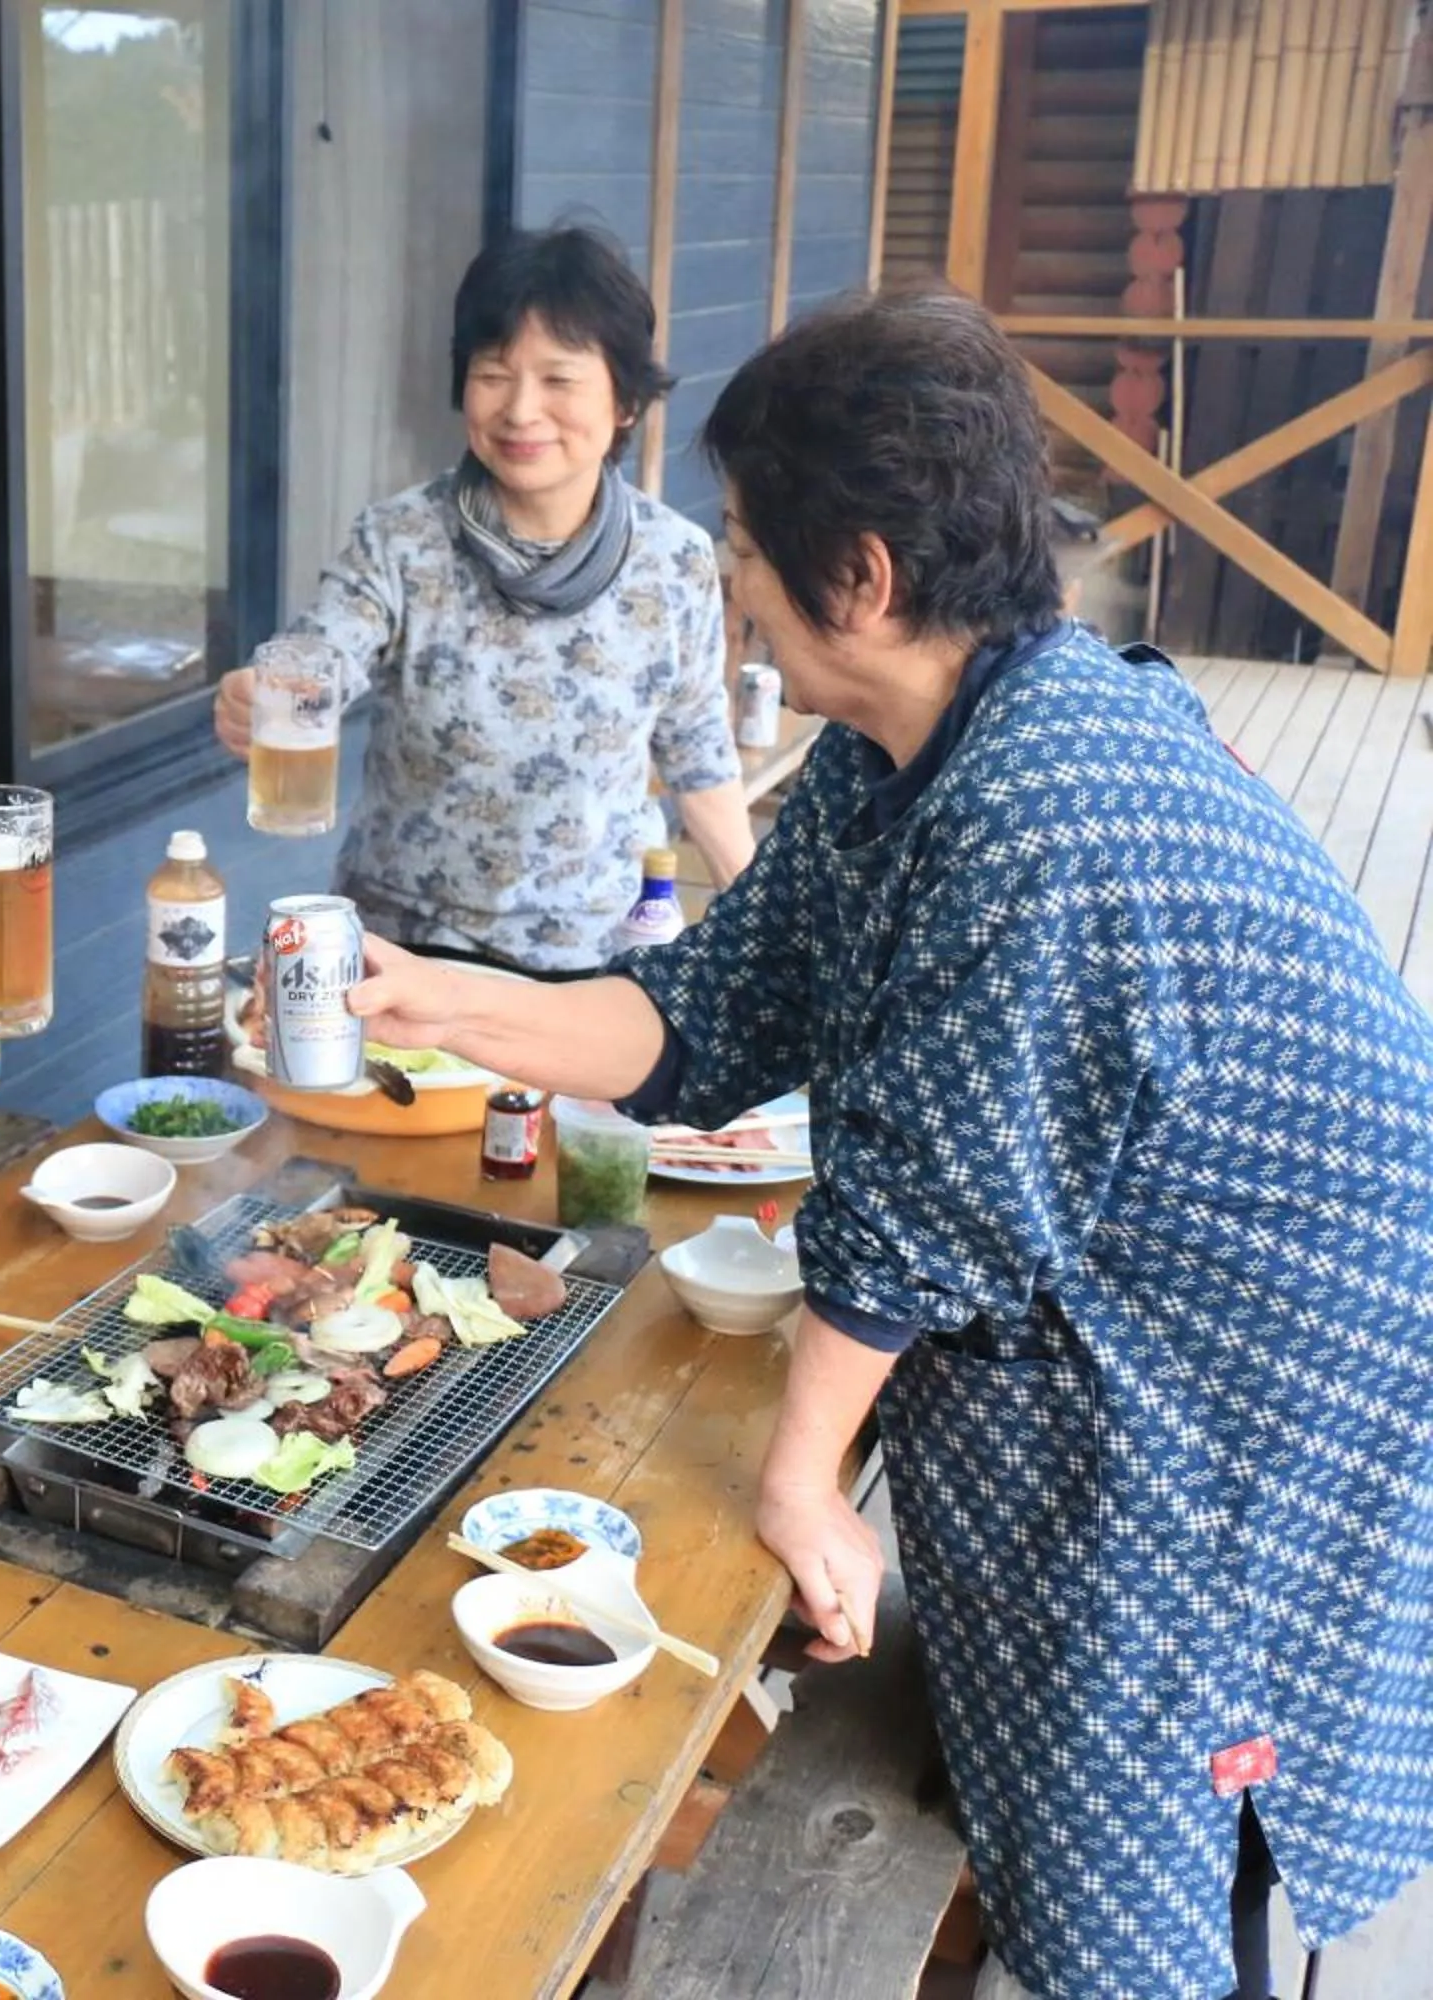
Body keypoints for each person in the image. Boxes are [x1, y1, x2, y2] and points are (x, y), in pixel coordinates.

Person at [347, 289, 1433, 1999]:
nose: (730, 586)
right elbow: (701, 1015)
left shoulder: (1051, 804)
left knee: (1143, 1879)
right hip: (1107, 1359)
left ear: (856, 575)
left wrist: (800, 1484)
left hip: (1237, 1420)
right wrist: (435, 999)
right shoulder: (902, 744)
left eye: (743, 550)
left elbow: (923, 1213)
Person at [212, 225, 753, 973]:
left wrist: (772, 944)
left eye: (558, 380)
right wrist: (264, 695)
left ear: (626, 401)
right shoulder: (402, 538)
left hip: (592, 962)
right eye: (494, 373)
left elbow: (701, 760)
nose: (521, 410)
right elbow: (326, 651)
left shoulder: (674, 562)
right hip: (407, 954)